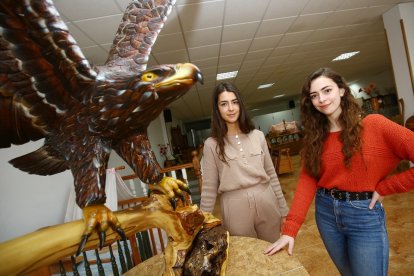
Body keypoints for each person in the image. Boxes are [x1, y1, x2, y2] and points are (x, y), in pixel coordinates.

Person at [264, 67, 414, 275]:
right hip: (326, 214)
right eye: (314, 96)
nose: (322, 99)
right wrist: (290, 230)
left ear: (342, 90)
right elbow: (307, 182)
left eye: (327, 91)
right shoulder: (316, 137)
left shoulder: (374, 125)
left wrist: (387, 187)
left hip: (364, 214)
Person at [200, 82, 289, 243]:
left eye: (234, 102)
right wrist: (200, 225)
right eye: (224, 104)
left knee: (274, 253)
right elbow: (208, 189)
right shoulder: (211, 144)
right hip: (235, 208)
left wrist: (284, 211)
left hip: (267, 200)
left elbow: (272, 175)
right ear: (217, 109)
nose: (231, 108)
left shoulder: (258, 136)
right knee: (246, 258)